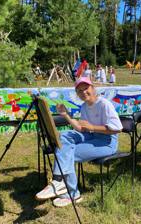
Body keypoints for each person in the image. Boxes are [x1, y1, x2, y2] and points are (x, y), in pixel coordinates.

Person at [35, 77, 123, 207]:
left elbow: (117, 128)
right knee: (64, 138)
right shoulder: (84, 106)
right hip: (91, 136)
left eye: (86, 88)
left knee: (67, 152)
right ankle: (61, 184)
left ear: (93, 88)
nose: (83, 92)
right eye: (79, 91)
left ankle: (69, 191)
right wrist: (65, 115)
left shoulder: (104, 104)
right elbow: (81, 128)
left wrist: (92, 127)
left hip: (107, 142)